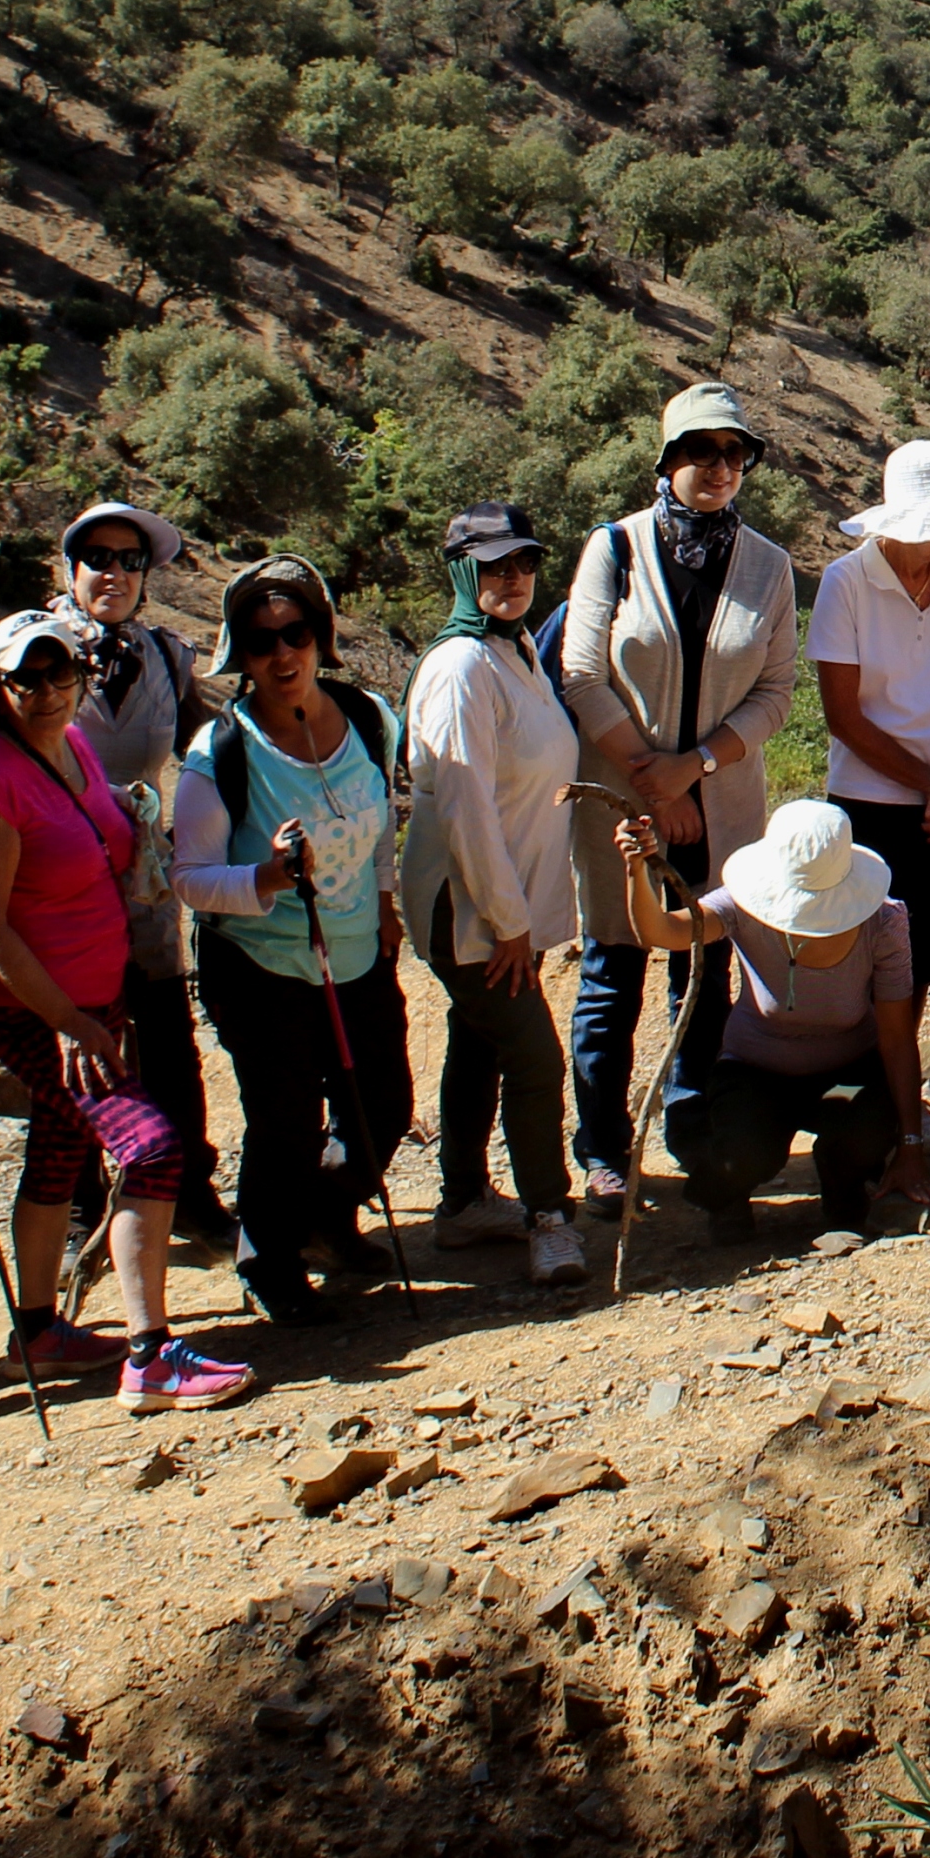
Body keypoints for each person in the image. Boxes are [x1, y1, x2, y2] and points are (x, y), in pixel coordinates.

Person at [0, 609, 253, 1415]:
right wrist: (69, 1023)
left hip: (96, 997)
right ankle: (151, 1355)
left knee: (56, 1150)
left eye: (60, 674)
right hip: (40, 1012)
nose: (47, 691)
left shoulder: (71, 746)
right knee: (151, 1151)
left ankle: (39, 1331)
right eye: (27, 678)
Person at [0, 501, 232, 1252]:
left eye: (131, 559)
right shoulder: (27, 650)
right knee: (72, 1047)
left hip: (138, 877)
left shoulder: (166, 655)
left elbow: (202, 745)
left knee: (167, 1034)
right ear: (69, 568)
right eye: (99, 557)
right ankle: (81, 1210)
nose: (115, 571)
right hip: (51, 881)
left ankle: (188, 1189)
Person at [558, 384, 801, 1226]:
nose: (720, 469)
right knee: (611, 972)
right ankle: (601, 1151)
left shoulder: (768, 565)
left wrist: (692, 770)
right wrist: (649, 778)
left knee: (702, 974)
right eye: (702, 451)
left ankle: (693, 1133)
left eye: (736, 454)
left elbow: (776, 692)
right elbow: (581, 670)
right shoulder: (614, 548)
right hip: (620, 803)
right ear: (667, 460)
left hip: (722, 799)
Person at [171, 556, 412, 1333]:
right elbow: (191, 877)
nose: (282, 653)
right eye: (260, 639)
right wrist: (270, 877)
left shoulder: (370, 717)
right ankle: (269, 1260)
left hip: (354, 953)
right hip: (260, 964)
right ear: (239, 652)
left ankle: (324, 1217)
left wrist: (384, 904)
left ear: (321, 637)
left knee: (383, 1106)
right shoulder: (221, 754)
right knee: (284, 1122)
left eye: (296, 633)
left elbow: (379, 819)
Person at [400, 503, 585, 1289]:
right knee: (535, 1057)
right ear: (462, 572)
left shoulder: (512, 651)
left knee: (479, 1040)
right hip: (471, 905)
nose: (512, 579)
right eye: (493, 565)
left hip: (506, 903)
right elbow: (466, 805)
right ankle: (549, 1215)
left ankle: (464, 1201)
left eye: (524, 563)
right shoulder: (461, 668)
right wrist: (508, 922)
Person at [625, 798, 930, 1239]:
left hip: (847, 1073)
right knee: (745, 1153)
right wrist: (637, 871)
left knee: (862, 1135)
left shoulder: (883, 921)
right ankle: (725, 1189)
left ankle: (845, 1190)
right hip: (756, 1070)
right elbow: (664, 931)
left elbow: (896, 1037)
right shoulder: (742, 905)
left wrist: (911, 1146)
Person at [811, 440, 930, 992]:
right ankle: (871, 1072)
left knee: (926, 955)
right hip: (872, 799)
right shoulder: (845, 582)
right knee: (868, 953)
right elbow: (844, 716)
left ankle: (910, 1073)